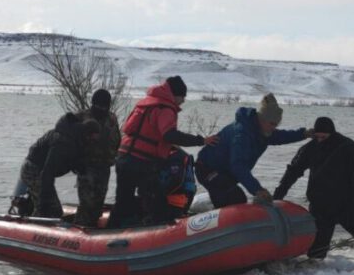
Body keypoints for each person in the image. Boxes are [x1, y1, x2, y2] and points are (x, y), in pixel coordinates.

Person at [272, 117, 354, 261]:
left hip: (347, 205)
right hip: (320, 206)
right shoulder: (310, 148)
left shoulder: (350, 148)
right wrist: (279, 193)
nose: (320, 140)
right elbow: (293, 171)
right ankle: (316, 269)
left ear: (331, 133)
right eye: (317, 137)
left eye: (323, 137)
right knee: (316, 253)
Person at [107, 76, 218, 228]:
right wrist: (201, 140)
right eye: (182, 97)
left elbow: (143, 132)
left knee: (123, 200)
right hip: (142, 162)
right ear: (175, 95)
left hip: (124, 157)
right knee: (156, 201)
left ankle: (110, 232)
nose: (183, 101)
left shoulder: (145, 103)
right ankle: (155, 233)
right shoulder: (166, 109)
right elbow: (169, 135)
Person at [196, 93, 311, 207]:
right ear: (261, 119)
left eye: (276, 125)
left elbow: (282, 136)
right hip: (207, 168)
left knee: (232, 195)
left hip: (226, 172)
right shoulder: (242, 134)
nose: (273, 128)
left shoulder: (264, 132)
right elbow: (238, 166)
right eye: (271, 124)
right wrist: (258, 190)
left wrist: (304, 134)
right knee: (235, 196)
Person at [20, 114, 101, 218]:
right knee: (50, 208)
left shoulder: (77, 141)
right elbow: (47, 173)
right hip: (33, 171)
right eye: (92, 139)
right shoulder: (62, 143)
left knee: (54, 209)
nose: (92, 143)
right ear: (86, 134)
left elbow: (76, 162)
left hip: (41, 171)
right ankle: (35, 223)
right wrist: (44, 201)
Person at [73, 89, 121, 227]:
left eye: (104, 106)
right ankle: (79, 229)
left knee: (98, 203)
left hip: (104, 167)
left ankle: (92, 228)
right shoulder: (81, 117)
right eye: (98, 106)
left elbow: (117, 139)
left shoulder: (112, 119)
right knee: (87, 203)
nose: (101, 109)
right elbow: (69, 139)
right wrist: (76, 161)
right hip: (86, 167)